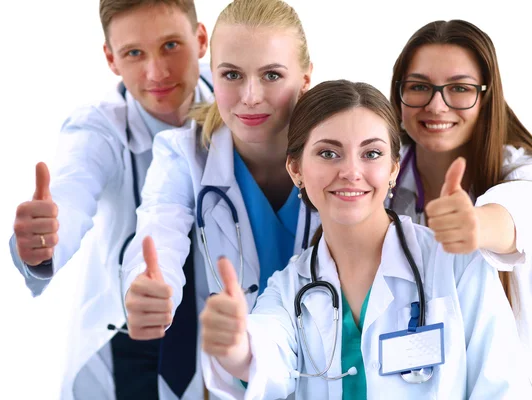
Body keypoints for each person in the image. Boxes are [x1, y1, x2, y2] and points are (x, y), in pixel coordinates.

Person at [199, 80, 531, 399]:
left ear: (393, 169)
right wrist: (237, 346)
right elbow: (265, 350)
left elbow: (499, 386)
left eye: (371, 153)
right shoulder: (289, 289)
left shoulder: (456, 265)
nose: (351, 171)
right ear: (296, 170)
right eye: (329, 153)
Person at [8, 0, 211, 399]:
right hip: (131, 342)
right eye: (134, 53)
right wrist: (44, 243)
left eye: (171, 45)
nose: (156, 72)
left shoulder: (239, 106)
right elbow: (72, 189)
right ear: (110, 59)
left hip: (223, 333)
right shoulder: (99, 127)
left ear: (201, 39)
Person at [120, 0, 317, 392]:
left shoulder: (343, 154)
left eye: (272, 75)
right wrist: (149, 286)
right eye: (231, 74)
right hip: (236, 379)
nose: (250, 96)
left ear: (306, 80)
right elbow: (159, 229)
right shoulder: (183, 153)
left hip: (331, 373)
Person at [388, 19, 532, 382]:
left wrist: (475, 224)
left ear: (486, 97)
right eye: (419, 86)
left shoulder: (520, 171)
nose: (437, 105)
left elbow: (516, 213)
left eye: (459, 88)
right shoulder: (376, 174)